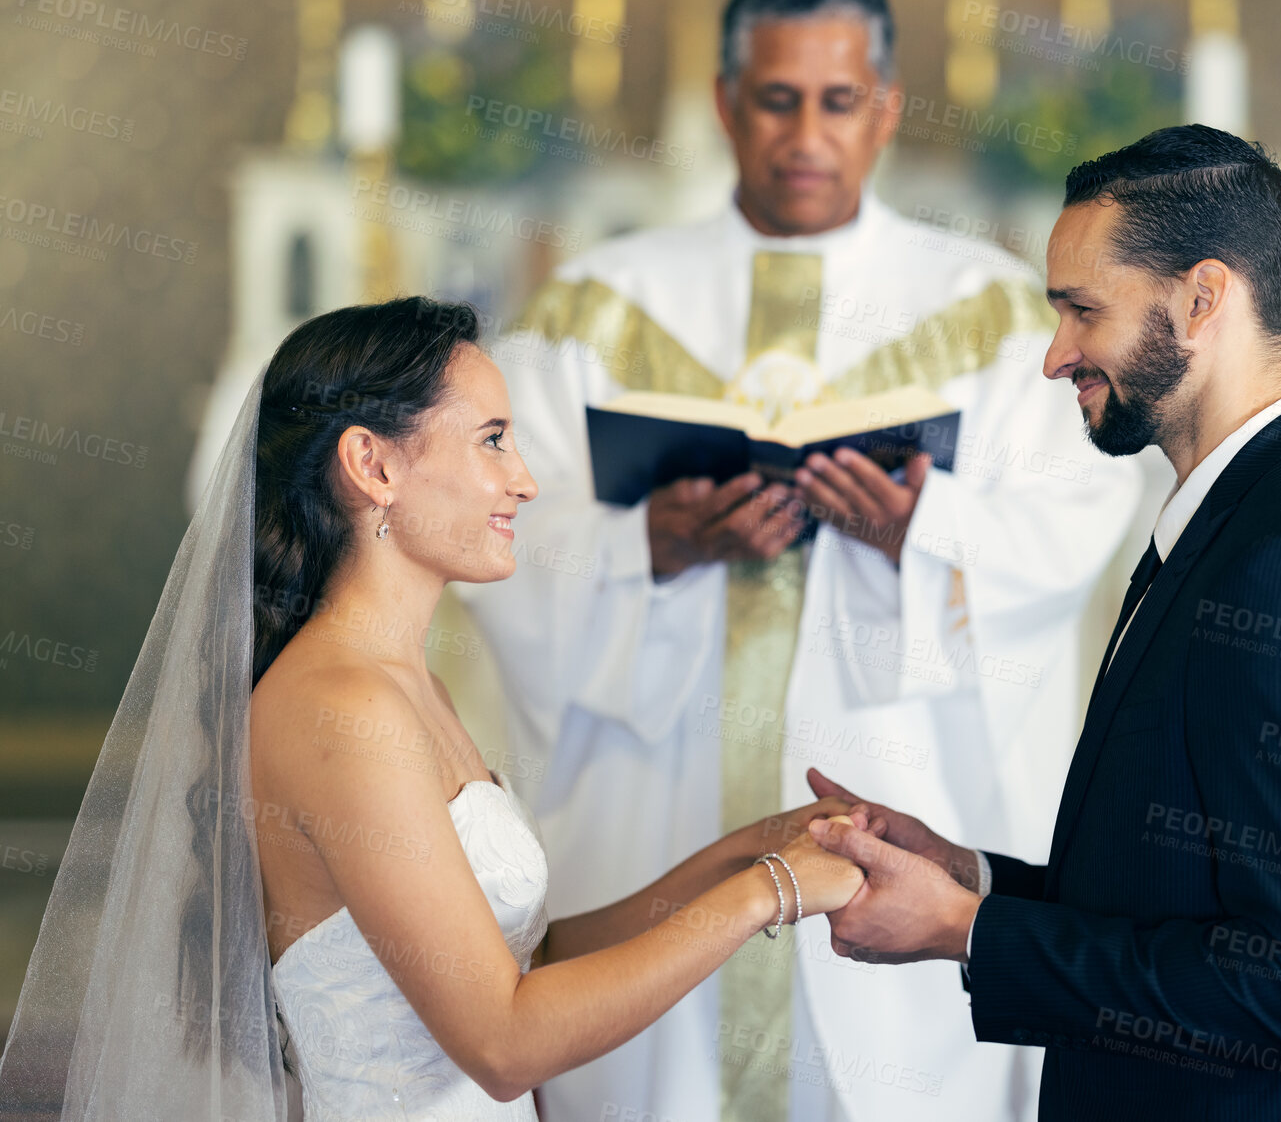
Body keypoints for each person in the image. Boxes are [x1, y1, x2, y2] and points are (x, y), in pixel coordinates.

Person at [455, 0, 1142, 1121]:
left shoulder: (997, 311)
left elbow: (1072, 525)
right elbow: (500, 539)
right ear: (725, 104)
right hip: (652, 833)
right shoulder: (592, 309)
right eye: (778, 100)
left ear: (886, 105)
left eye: (839, 100)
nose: (807, 135)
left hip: (897, 800)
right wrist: (648, 549)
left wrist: (917, 525)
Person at [0, 297, 863, 1121]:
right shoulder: (338, 706)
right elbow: (502, 1040)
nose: (523, 481)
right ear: (372, 465)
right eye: (493, 439)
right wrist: (769, 894)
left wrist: (753, 846)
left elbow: (533, 961)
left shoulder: (410, 688)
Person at [801, 125, 1281, 1121]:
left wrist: (974, 935)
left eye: (1082, 310)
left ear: (1203, 299)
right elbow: (1185, 901)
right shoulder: (1234, 525)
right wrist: (971, 877)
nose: (1054, 356)